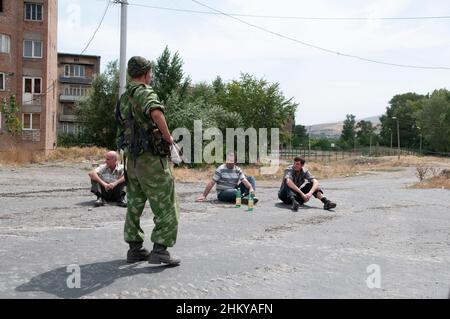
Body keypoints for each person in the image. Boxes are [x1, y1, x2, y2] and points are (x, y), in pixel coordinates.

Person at [116, 56, 180, 266]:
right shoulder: (144, 92)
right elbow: (156, 113)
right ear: (145, 73)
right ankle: (160, 250)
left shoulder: (124, 98)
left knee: (134, 203)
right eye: (150, 73)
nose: (151, 76)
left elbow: (121, 128)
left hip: (131, 161)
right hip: (151, 160)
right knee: (166, 204)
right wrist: (169, 140)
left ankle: (134, 249)